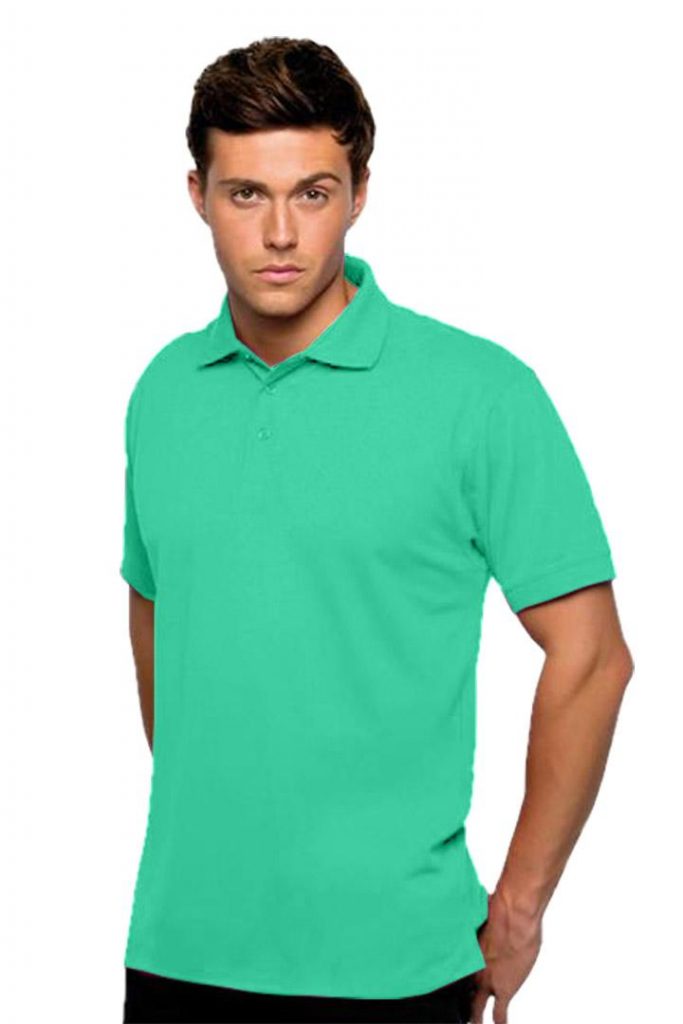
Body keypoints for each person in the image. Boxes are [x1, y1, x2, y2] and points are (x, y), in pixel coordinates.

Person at [119, 36, 634, 1024]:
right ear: (197, 195)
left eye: (311, 193)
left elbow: (592, 656)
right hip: (180, 949)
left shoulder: (479, 394)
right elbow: (158, 616)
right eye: (245, 194)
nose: (279, 232)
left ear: (358, 193)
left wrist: (520, 905)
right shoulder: (163, 393)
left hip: (396, 965)